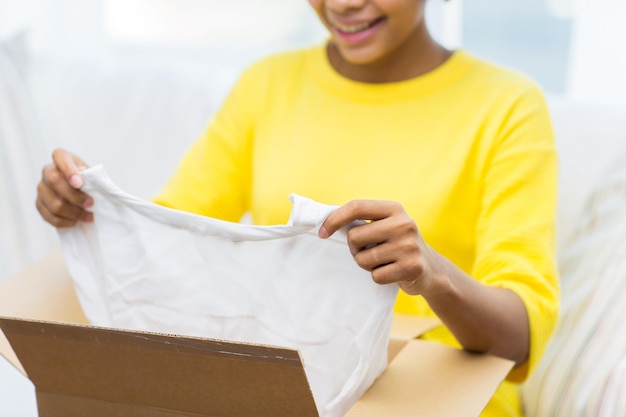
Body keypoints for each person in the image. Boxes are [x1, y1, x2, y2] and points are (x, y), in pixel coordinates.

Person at [35, 0, 559, 415]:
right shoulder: (268, 85)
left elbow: (518, 337)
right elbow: (168, 238)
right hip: (286, 392)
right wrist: (84, 208)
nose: (344, 4)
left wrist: (431, 273)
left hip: (441, 401)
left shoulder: (507, 106)